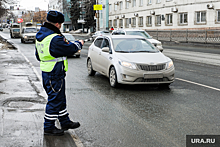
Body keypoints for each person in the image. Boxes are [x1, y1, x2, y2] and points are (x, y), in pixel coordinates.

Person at [35, 10, 84, 136]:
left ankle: (65, 121)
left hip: (49, 71)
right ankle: (49, 127)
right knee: (55, 100)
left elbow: (38, 55)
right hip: (54, 73)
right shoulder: (54, 38)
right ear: (57, 24)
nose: (61, 26)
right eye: (60, 24)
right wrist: (79, 44)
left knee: (60, 99)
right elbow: (70, 49)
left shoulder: (41, 35)